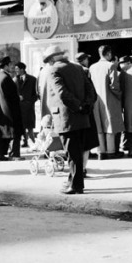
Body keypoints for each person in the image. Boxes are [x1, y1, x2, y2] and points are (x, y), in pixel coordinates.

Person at [46, 44, 95, 195]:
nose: (48, 63)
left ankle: (76, 185)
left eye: (48, 60)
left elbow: (62, 94)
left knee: (72, 153)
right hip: (82, 117)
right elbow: (91, 91)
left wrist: (78, 106)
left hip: (66, 117)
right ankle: (72, 181)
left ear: (54, 58)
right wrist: (86, 106)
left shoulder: (54, 70)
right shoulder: (78, 68)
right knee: (77, 152)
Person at [88, 45, 124, 160]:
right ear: (108, 54)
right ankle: (111, 151)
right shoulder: (111, 66)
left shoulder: (92, 67)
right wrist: (120, 95)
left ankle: (101, 151)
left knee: (99, 125)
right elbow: (114, 85)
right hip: (109, 99)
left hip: (96, 100)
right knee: (110, 125)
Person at [75, 52, 99, 176]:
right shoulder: (85, 71)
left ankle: (76, 169)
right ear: (84, 60)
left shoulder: (69, 72)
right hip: (85, 111)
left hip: (73, 111)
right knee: (86, 142)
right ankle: (83, 168)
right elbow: (92, 93)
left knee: (75, 142)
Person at [0, 56, 22, 161]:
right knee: (15, 132)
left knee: (3, 132)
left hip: (1, 109)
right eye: (10, 65)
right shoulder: (6, 78)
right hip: (10, 109)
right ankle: (14, 154)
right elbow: (12, 96)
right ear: (6, 66)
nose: (12, 67)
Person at [14, 62, 38, 147]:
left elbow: (36, 94)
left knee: (30, 125)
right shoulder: (14, 79)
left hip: (29, 106)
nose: (16, 71)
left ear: (22, 69)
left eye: (17, 69)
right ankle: (25, 141)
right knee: (22, 125)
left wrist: (29, 102)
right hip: (19, 107)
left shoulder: (33, 79)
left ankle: (32, 141)